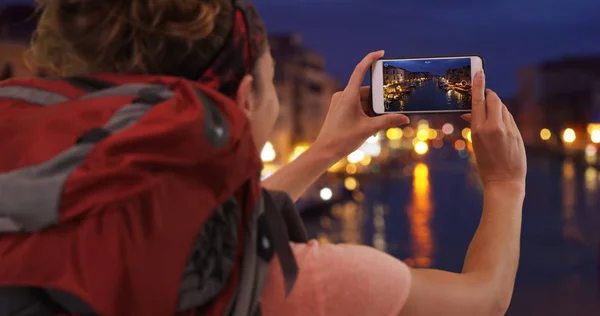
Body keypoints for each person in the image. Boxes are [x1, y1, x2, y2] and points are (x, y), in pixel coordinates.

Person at [10, 0, 526, 315]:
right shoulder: (291, 284)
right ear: (243, 98)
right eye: (273, 78)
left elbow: (219, 223)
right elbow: (484, 300)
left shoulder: (30, 223)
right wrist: (504, 183)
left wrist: (325, 149)